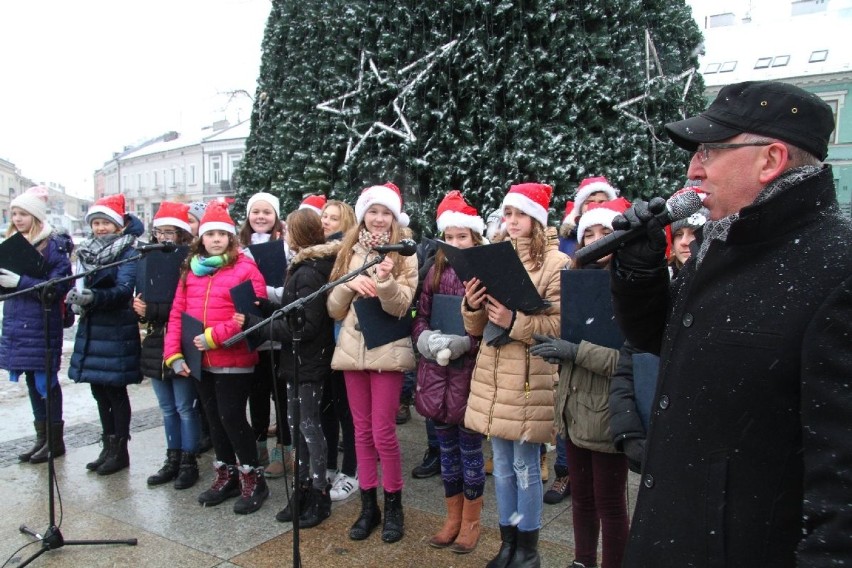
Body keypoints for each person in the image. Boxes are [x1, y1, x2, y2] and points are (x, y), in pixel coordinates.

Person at [609, 80, 852, 566]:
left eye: (710, 151)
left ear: (771, 159)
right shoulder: (724, 242)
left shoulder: (836, 266)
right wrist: (640, 270)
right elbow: (667, 339)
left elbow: (842, 482)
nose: (692, 168)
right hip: (674, 534)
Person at [462, 182, 570, 567]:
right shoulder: (495, 257)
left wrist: (516, 321)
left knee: (526, 467)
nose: (511, 221)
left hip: (530, 379)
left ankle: (528, 549)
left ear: (537, 219)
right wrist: (472, 305)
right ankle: (507, 543)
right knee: (503, 468)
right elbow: (476, 329)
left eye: (519, 214)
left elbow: (561, 326)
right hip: (493, 375)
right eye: (507, 214)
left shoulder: (556, 264)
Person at [532, 201, 631, 568]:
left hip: (609, 411)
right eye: (589, 233)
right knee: (583, 499)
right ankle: (582, 561)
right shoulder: (577, 281)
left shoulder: (631, 285)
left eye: (605, 233)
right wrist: (559, 349)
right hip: (573, 408)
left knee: (610, 503)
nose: (596, 240)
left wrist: (575, 351)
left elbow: (628, 362)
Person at [163, 201, 270, 515]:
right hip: (199, 360)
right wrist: (173, 353)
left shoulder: (244, 267)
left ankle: (253, 477)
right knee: (213, 418)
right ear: (201, 237)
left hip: (233, 356)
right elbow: (177, 313)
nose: (216, 239)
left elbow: (251, 313)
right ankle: (227, 475)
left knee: (232, 416)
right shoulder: (191, 270)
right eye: (211, 233)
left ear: (231, 237)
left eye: (223, 233)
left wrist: (213, 337)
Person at [327, 182, 418, 544]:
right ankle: (369, 507)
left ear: (395, 217)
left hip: (388, 352)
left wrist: (384, 282)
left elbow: (403, 306)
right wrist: (350, 286)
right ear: (363, 214)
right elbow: (334, 309)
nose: (379, 219)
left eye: (386, 213)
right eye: (373, 211)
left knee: (383, 432)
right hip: (352, 352)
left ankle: (393, 504)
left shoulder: (405, 253)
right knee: (361, 433)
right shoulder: (349, 249)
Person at [239, 208, 337, 528]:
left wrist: (260, 327)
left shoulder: (308, 271)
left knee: (307, 427)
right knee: (297, 427)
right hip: (298, 360)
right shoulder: (302, 268)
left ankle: (317, 492)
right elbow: (294, 309)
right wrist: (268, 307)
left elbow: (304, 327)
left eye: (288, 231)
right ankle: (303, 487)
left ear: (296, 235)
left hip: (308, 359)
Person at [413, 191, 486, 554]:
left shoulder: (481, 274)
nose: (456, 243)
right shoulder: (434, 272)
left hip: (467, 375)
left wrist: (464, 344)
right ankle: (452, 516)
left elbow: (487, 330)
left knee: (471, 452)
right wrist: (423, 338)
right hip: (435, 375)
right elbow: (420, 316)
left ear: (474, 238)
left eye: (463, 236)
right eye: (451, 237)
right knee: (446, 451)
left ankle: (472, 520)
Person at [67, 194, 144, 475]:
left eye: (105, 223)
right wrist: (76, 296)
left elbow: (124, 290)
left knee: (115, 391)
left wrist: (91, 296)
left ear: (118, 225)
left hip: (116, 327)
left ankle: (120, 449)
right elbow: (79, 280)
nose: (100, 228)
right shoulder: (86, 251)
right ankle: (107, 444)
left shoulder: (129, 251)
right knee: (98, 389)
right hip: (91, 326)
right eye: (96, 223)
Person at [0, 186, 73, 464]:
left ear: (36, 216)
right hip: (19, 326)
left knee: (46, 383)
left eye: (23, 214)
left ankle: (55, 442)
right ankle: (42, 439)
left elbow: (58, 287)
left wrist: (20, 282)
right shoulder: (14, 244)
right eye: (14, 213)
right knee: (32, 383)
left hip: (42, 324)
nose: (17, 219)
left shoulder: (52, 246)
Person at [134, 202, 200, 490]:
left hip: (182, 340)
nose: (163, 237)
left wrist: (151, 310)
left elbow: (186, 308)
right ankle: (171, 458)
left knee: (185, 407)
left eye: (169, 231)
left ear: (182, 234)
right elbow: (142, 298)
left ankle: (189, 461)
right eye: (159, 231)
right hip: (155, 342)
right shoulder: (147, 260)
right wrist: (136, 306)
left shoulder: (190, 264)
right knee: (167, 408)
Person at [238, 191, 290, 477]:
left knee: (280, 395)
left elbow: (289, 289)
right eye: (255, 212)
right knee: (256, 394)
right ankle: (257, 446)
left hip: (278, 331)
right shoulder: (238, 247)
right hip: (251, 330)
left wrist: (265, 293)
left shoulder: (285, 248)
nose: (260, 217)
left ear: (275, 217)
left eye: (267, 212)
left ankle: (283, 451)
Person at [319, 199, 360, 501]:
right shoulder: (314, 253)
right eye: (323, 216)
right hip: (321, 342)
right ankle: (330, 464)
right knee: (327, 408)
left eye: (333, 218)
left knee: (348, 410)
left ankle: (351, 471)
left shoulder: (348, 254)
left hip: (344, 338)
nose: (326, 222)